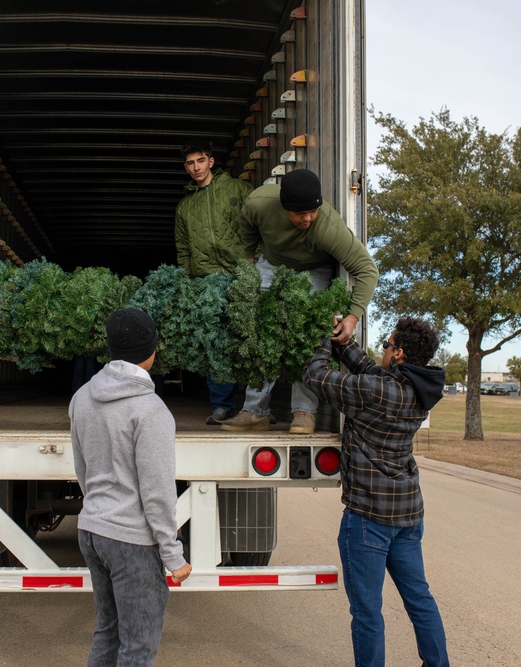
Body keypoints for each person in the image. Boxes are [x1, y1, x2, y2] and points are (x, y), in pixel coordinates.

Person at [302, 316, 449, 667]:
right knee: (420, 599)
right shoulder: (417, 389)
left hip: (368, 519)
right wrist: (343, 343)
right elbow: (370, 367)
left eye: (386, 344)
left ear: (398, 353)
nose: (382, 348)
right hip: (408, 517)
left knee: (367, 613)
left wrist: (321, 339)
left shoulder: (376, 391)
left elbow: (316, 377)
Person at [69, 307, 192, 665]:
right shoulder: (151, 410)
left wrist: (96, 508)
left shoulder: (82, 397)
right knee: (138, 647)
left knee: (108, 632)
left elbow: (82, 468)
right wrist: (172, 555)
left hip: (92, 529)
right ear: (152, 352)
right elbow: (157, 492)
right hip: (131, 541)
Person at [220, 168, 379, 434]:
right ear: (284, 208)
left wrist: (352, 317)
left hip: (313, 270)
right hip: (271, 263)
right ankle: (255, 411)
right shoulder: (259, 203)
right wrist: (248, 260)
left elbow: (367, 269)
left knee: (308, 333)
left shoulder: (328, 227)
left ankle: (304, 412)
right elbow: (247, 227)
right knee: (261, 328)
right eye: (300, 213)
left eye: (312, 211)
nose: (307, 218)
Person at [174, 139, 253, 425]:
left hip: (240, 274)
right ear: (186, 168)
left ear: (211, 161)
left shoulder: (238, 189)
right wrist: (189, 280)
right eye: (190, 163)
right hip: (206, 281)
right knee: (215, 343)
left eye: (200, 161)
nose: (196, 167)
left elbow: (256, 225)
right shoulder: (185, 206)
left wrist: (252, 259)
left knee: (246, 337)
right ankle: (222, 405)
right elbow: (182, 248)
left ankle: (253, 406)